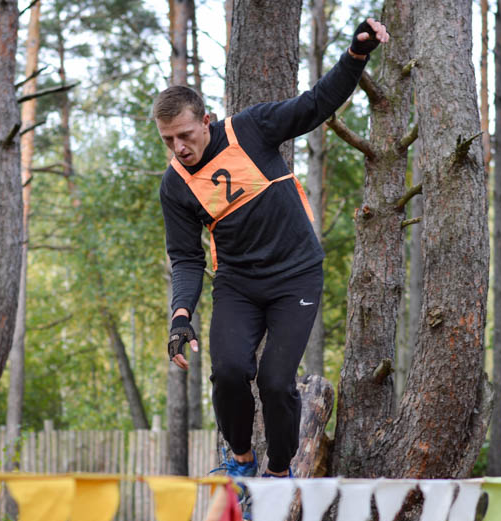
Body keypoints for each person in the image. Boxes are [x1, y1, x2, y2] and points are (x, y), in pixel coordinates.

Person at [155, 19, 389, 489]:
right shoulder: (175, 186)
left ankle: (280, 471)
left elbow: (314, 105)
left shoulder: (251, 129)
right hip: (239, 284)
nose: (180, 148)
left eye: (185, 135)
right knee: (228, 372)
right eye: (168, 140)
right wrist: (181, 315)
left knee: (277, 383)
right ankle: (241, 459)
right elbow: (185, 258)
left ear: (206, 121)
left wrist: (356, 55)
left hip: (295, 277)